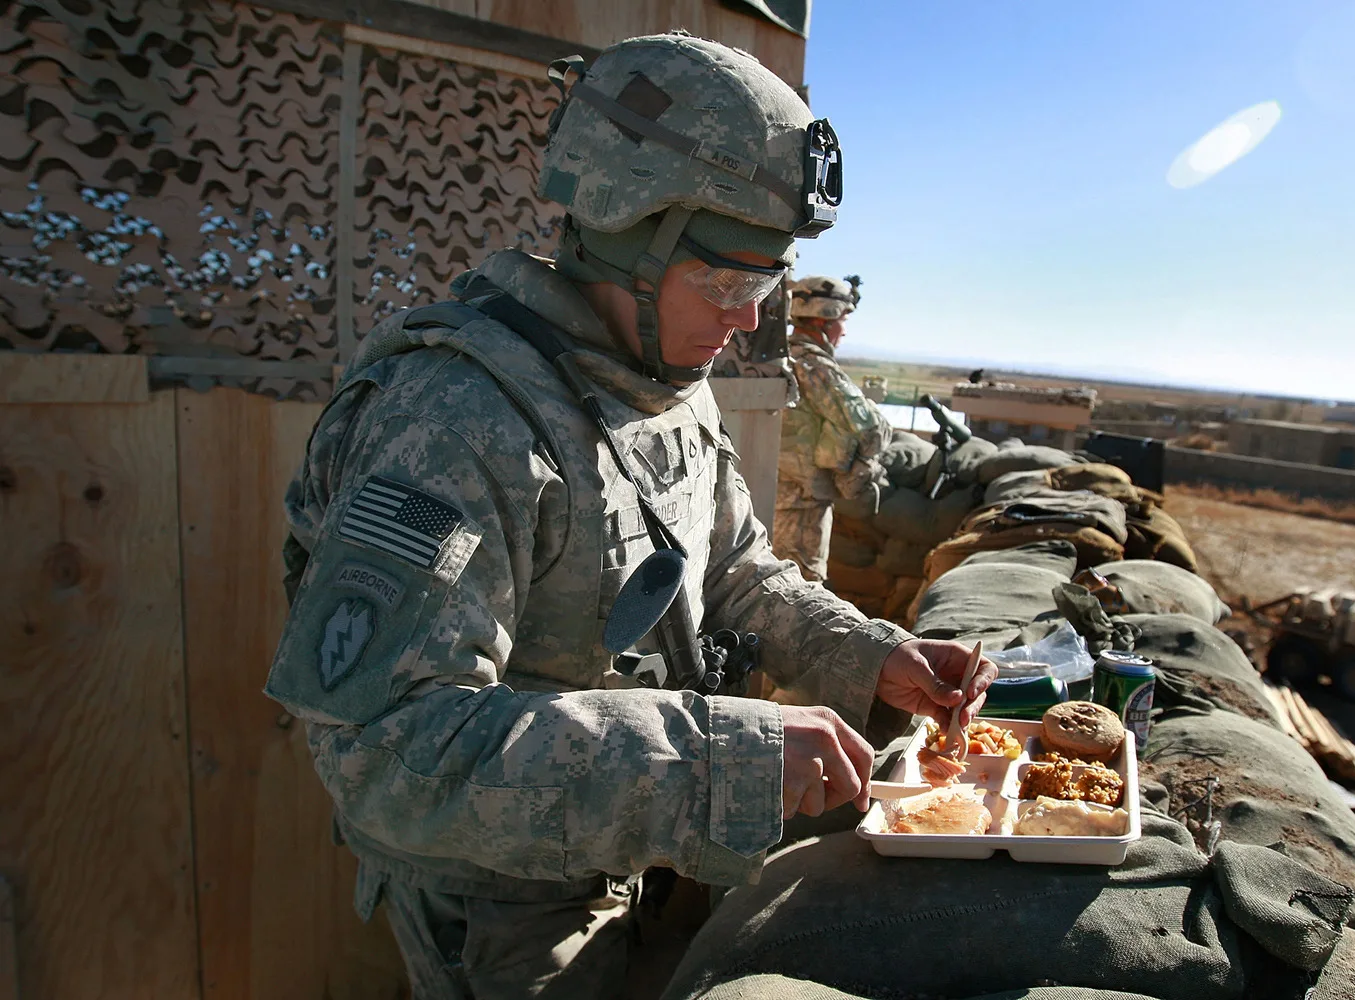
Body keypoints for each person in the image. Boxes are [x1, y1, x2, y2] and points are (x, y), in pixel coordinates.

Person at [264, 32, 994, 1000]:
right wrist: (719, 761)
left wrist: (869, 654)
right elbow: (390, 750)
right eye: (726, 282)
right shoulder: (453, 418)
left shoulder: (662, 382)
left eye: (764, 285)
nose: (745, 320)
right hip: (507, 908)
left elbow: (734, 566)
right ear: (620, 231)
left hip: (638, 849)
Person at [774, 275, 892, 581]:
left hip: (774, 496)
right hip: (802, 506)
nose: (844, 330)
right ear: (825, 319)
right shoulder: (813, 365)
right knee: (802, 588)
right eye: (842, 318)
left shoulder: (777, 358)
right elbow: (871, 428)